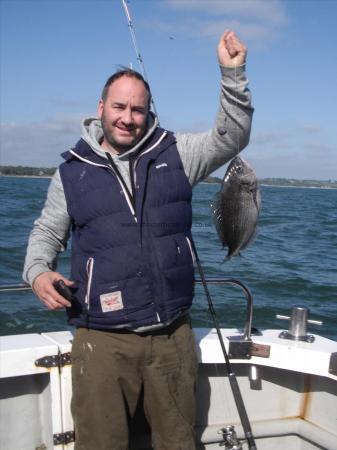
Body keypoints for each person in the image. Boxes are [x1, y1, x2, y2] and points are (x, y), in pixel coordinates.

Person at [23, 30, 253, 450]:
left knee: (176, 442)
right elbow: (46, 233)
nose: (127, 117)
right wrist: (38, 273)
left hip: (173, 336)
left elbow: (231, 138)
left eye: (138, 109)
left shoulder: (177, 153)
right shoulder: (71, 171)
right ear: (100, 109)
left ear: (149, 113)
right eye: (119, 107)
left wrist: (232, 73)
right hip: (102, 338)